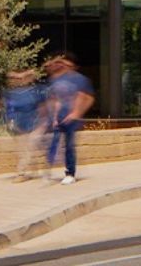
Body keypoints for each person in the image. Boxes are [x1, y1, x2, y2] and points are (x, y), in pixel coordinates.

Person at [44, 54, 94, 185]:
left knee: (69, 146)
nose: (63, 65)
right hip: (60, 117)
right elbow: (57, 99)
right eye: (62, 63)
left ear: (73, 66)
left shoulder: (80, 80)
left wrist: (76, 113)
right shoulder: (56, 79)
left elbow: (86, 97)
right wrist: (55, 117)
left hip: (72, 119)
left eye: (66, 63)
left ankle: (70, 173)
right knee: (53, 143)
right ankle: (48, 170)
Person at [0, 68, 47, 180]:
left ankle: (20, 173)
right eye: (15, 78)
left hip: (34, 125)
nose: (20, 80)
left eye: (23, 77)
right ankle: (32, 169)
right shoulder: (9, 93)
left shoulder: (36, 91)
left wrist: (43, 122)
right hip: (18, 126)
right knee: (24, 149)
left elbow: (43, 107)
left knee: (28, 148)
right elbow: (2, 107)